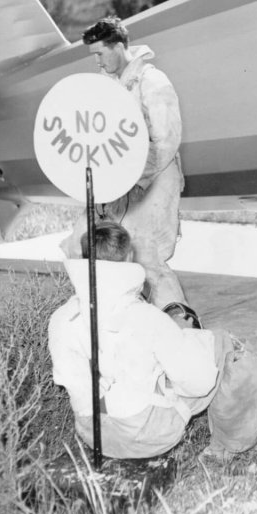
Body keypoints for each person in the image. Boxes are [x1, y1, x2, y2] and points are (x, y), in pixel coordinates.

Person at [48, 222, 257, 459]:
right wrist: (186, 338)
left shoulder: (61, 317)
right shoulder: (146, 317)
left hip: (93, 436)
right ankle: (228, 447)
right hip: (145, 437)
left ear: (83, 260)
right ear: (129, 258)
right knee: (220, 342)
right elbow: (200, 383)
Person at [66, 16, 185, 308]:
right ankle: (116, 320)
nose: (97, 62)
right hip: (122, 184)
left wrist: (132, 179)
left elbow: (166, 140)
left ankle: (182, 330)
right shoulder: (113, 87)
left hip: (154, 180)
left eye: (99, 54)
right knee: (81, 241)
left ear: (118, 46)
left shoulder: (151, 80)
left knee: (147, 257)